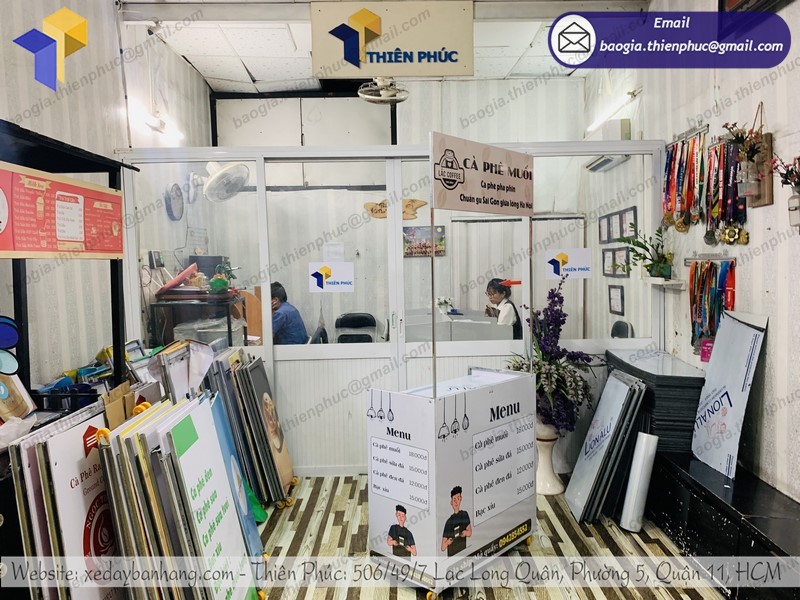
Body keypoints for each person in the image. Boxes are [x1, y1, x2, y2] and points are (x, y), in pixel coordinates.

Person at [441, 486, 471, 556]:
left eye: (458, 498)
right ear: (451, 502)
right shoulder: (449, 522)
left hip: (463, 553)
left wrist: (465, 533)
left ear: (461, 499)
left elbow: (469, 532)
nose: (456, 502)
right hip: (452, 557)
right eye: (454, 499)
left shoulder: (464, 514)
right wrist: (448, 542)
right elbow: (443, 547)